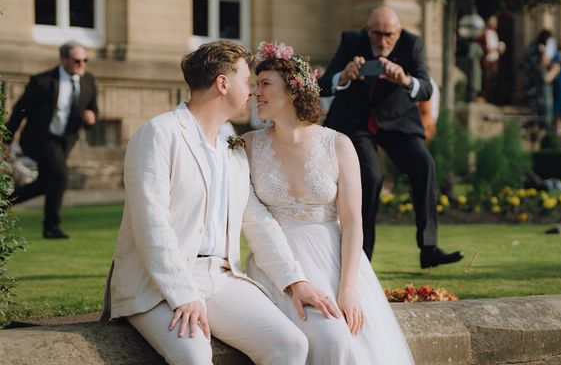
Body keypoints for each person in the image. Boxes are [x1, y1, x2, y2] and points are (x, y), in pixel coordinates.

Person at [102, 41, 340, 365]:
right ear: (223, 84)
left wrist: (296, 283)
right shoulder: (158, 134)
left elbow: (256, 220)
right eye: (247, 80)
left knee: (291, 345)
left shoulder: (233, 144)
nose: (254, 91)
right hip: (155, 284)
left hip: (221, 279)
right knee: (194, 354)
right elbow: (151, 225)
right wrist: (183, 295)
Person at [244, 41, 414, 364]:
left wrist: (348, 289)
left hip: (335, 262)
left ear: (293, 91)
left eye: (265, 84)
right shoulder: (248, 147)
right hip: (278, 263)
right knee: (332, 339)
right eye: (255, 84)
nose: (256, 92)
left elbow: (352, 223)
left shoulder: (338, 144)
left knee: (352, 340)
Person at [318, 6, 463, 268]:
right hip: (356, 122)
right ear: (367, 29)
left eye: (389, 35)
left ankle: (428, 248)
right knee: (370, 176)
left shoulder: (412, 43)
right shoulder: (351, 41)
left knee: (424, 164)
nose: (382, 41)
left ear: (398, 33)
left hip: (397, 121)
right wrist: (344, 76)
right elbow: (323, 83)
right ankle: (361, 257)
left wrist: (405, 80)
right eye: (376, 34)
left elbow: (426, 89)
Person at [5, 41, 98, 239]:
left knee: (47, 184)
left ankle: (4, 202)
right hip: (41, 139)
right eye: (76, 60)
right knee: (60, 177)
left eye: (84, 60)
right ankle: (52, 227)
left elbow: (92, 108)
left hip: (65, 142)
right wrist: (6, 138)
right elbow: (19, 110)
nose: (81, 64)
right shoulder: (42, 82)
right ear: (63, 59)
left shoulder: (88, 80)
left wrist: (91, 118)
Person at [479, 15, 506, 103]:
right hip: (488, 59)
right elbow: (487, 47)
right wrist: (495, 49)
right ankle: (483, 97)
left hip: (495, 58)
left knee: (493, 79)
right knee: (487, 79)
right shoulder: (485, 33)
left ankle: (490, 98)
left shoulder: (495, 33)